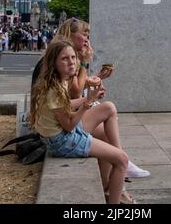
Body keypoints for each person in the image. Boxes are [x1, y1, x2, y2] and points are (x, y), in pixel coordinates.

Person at [32, 18, 151, 180]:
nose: (88, 39)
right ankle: (121, 166)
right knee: (106, 120)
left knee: (106, 131)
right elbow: (75, 92)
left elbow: (72, 92)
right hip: (56, 131)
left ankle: (116, 175)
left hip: (57, 122)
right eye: (84, 34)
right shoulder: (63, 60)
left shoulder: (63, 58)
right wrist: (84, 63)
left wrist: (95, 79)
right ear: (70, 35)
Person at [29, 40, 134, 205]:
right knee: (122, 160)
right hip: (61, 141)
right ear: (53, 63)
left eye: (73, 57)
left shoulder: (60, 80)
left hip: (60, 133)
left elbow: (64, 106)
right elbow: (69, 126)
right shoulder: (54, 90)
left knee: (108, 108)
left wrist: (90, 97)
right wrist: (87, 104)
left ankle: (110, 180)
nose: (71, 62)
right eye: (64, 59)